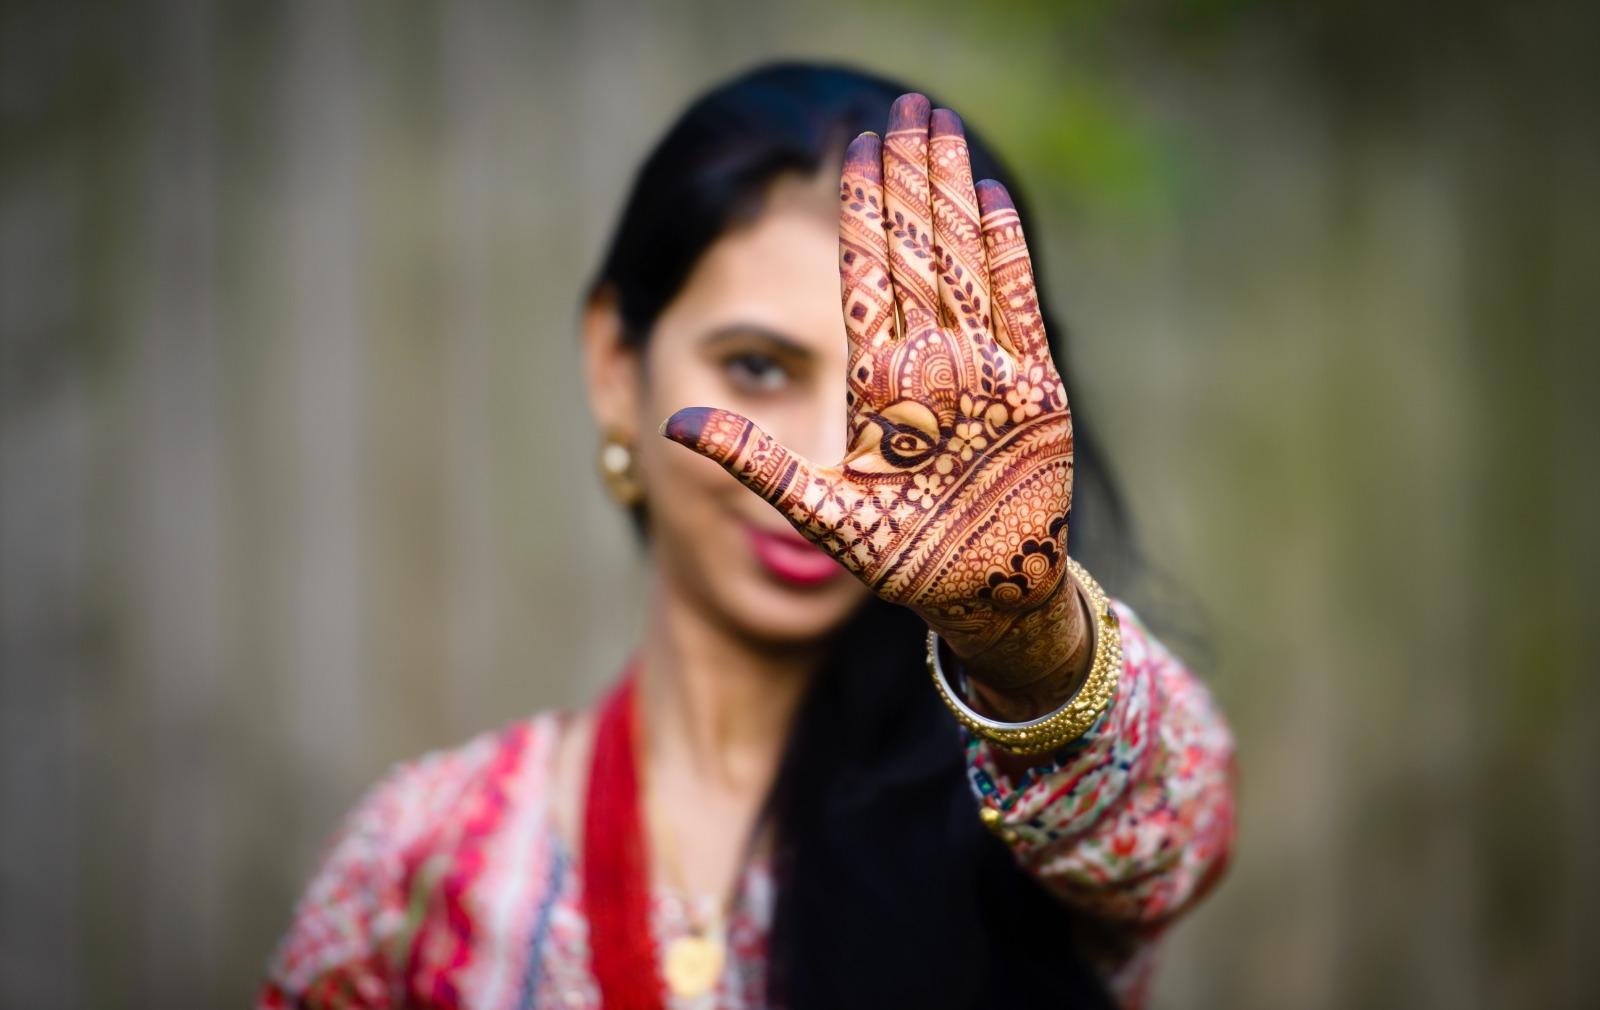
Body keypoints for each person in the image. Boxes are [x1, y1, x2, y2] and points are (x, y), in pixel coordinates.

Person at [255, 62, 1237, 1010]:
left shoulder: (1037, 819)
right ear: (614, 364)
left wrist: (1024, 639)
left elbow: (1178, 828)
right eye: (759, 368)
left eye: (892, 406)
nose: (828, 465)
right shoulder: (419, 871)